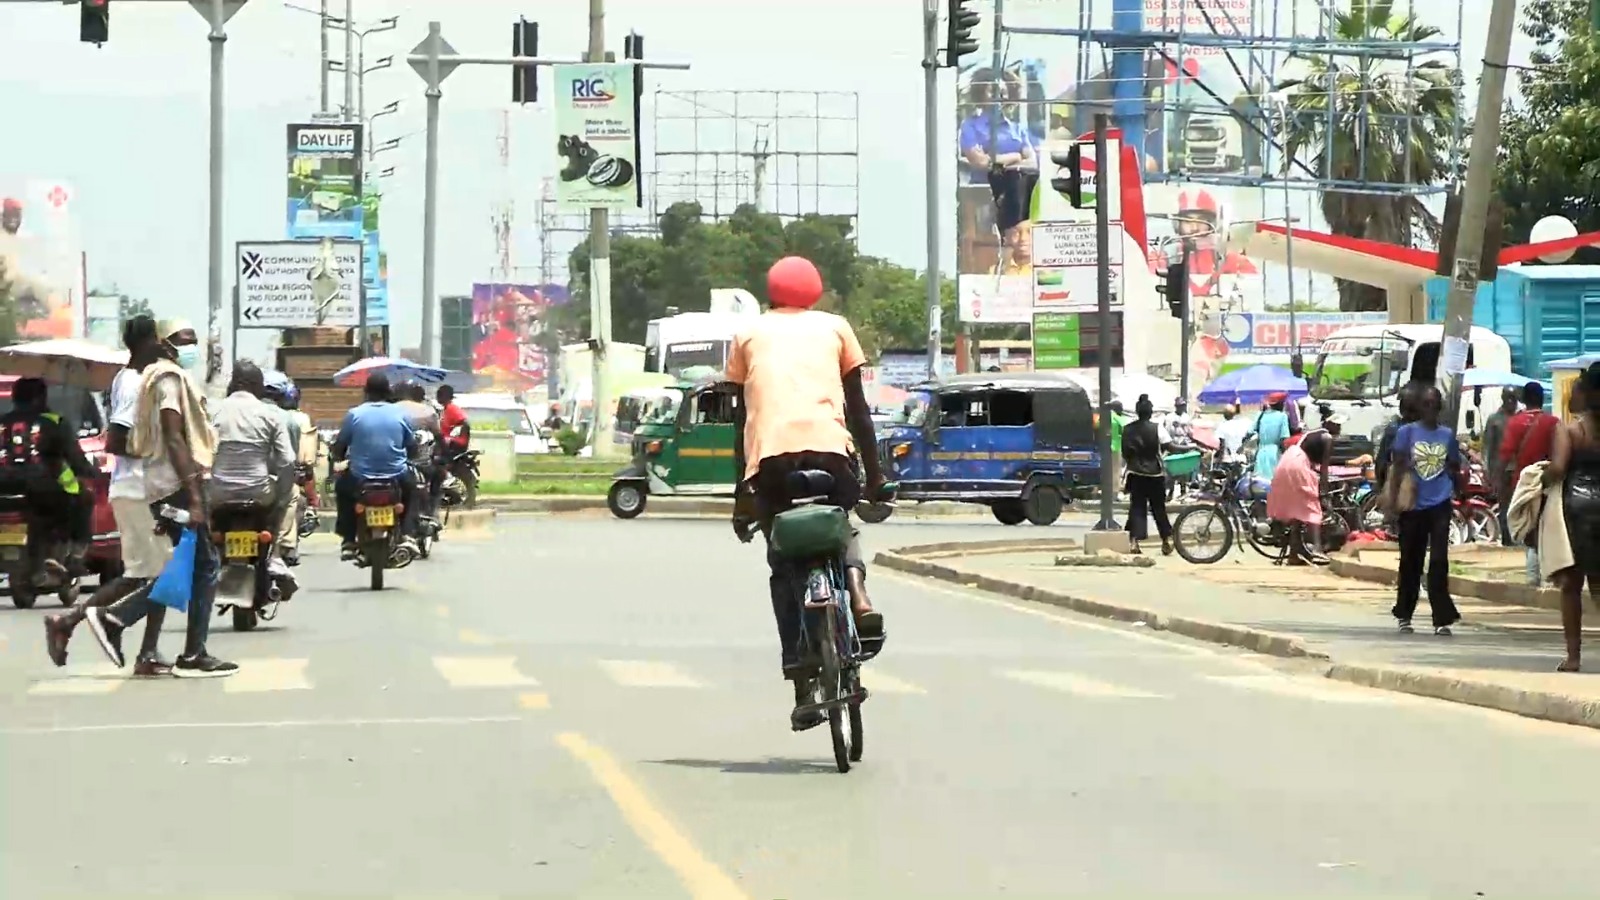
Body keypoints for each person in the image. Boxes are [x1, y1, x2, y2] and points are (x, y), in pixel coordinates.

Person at [725, 255, 888, 732]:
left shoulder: (748, 334)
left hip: (773, 463)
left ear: (771, 291)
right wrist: (875, 477)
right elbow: (858, 412)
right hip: (831, 455)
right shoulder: (836, 328)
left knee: (782, 562)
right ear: (815, 291)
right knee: (842, 525)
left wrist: (743, 495)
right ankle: (858, 595)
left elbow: (742, 422)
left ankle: (799, 670)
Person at [79, 320, 237, 676]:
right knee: (200, 566)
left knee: (187, 566)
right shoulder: (167, 378)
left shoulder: (155, 377)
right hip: (170, 487)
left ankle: (176, 647)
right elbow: (174, 436)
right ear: (162, 342)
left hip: (160, 486)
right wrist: (194, 495)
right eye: (184, 340)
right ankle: (119, 620)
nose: (190, 347)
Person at [43, 315, 170, 675]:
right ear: (147, 341)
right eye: (159, 339)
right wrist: (154, 451)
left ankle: (68, 621)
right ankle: (143, 649)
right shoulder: (134, 385)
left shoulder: (132, 380)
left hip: (132, 489)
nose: (163, 345)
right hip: (139, 489)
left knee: (141, 575)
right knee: (167, 572)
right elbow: (116, 439)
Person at [0, 376, 96, 579]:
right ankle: (73, 554)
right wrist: (89, 471)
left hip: (3, 490)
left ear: (15, 398)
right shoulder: (55, 422)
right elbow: (75, 458)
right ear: (41, 398)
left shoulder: (2, 423)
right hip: (42, 490)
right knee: (83, 499)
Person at [1387, 384, 1464, 636]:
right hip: (1413, 506)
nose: (1430, 408)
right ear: (1420, 407)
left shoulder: (1447, 435)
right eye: (1426, 404)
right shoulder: (1406, 433)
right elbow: (1397, 469)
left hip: (1440, 504)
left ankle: (1441, 617)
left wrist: (1461, 494)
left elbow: (1453, 466)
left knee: (1439, 561)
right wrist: (1392, 506)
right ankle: (1404, 613)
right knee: (1411, 560)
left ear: (1439, 407)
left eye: (1435, 404)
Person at [1540, 364, 1600, 672]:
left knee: (1572, 585)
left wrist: (1542, 477)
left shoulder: (1570, 429)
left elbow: (1559, 468)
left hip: (1577, 508)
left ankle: (1574, 656)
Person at [208, 362, 295, 562]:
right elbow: (287, 460)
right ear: (258, 386)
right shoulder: (270, 414)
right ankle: (274, 554)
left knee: (205, 527)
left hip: (218, 493)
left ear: (233, 384)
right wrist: (281, 496)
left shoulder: (213, 411)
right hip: (259, 492)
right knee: (290, 498)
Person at [332, 373, 418, 560]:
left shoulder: (354, 414)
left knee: (342, 490)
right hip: (396, 475)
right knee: (413, 491)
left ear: (366, 392)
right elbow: (412, 446)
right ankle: (408, 533)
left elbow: (340, 446)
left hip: (360, 477)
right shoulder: (400, 414)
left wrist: (338, 456)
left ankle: (348, 540)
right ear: (388, 392)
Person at [1501, 381, 1560, 584]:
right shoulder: (1553, 422)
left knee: (1529, 530)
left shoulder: (1514, 423)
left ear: (1523, 400)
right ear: (1542, 399)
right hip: (1547, 482)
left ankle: (1532, 578)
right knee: (1546, 528)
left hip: (1522, 484)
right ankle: (1546, 578)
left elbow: (1505, 455)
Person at [264, 372, 317, 565]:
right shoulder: (291, 419)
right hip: (273, 479)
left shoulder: (228, 411)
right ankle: (285, 544)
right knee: (291, 494)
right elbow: (291, 458)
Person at [1268, 430, 1333, 563]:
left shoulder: (1310, 435)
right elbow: (1324, 468)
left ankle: (1294, 554)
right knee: (1312, 507)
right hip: (1298, 465)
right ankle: (1317, 550)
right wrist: (1323, 493)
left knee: (1296, 513)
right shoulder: (1327, 438)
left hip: (1286, 461)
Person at [1122, 394, 1174, 556]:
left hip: (1135, 473)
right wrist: (1191, 448)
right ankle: (1166, 539)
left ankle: (1134, 542)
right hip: (1155, 473)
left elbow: (1126, 453)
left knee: (1137, 508)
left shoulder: (1128, 429)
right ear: (1151, 412)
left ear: (1137, 412)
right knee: (1159, 508)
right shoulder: (1157, 428)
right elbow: (1170, 446)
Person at [396, 381, 443, 523]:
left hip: (395, 461)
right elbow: (439, 437)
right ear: (422, 396)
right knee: (439, 474)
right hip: (421, 462)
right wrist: (443, 456)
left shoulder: (392, 410)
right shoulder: (428, 412)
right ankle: (432, 511)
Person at [1482, 386, 1519, 546]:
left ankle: (1518, 538)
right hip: (1502, 470)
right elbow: (1488, 448)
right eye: (1508, 398)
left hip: (1518, 469)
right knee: (1505, 506)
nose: (1511, 401)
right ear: (1503, 399)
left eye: (1514, 398)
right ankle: (1507, 538)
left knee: (1519, 505)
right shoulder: (1494, 420)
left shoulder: (1519, 419)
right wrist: (1489, 473)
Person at [1251, 393, 1293, 479]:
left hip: (1261, 452)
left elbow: (1251, 430)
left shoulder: (1260, 415)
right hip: (1275, 453)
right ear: (1281, 404)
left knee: (1259, 482)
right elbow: (1283, 438)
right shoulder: (1282, 416)